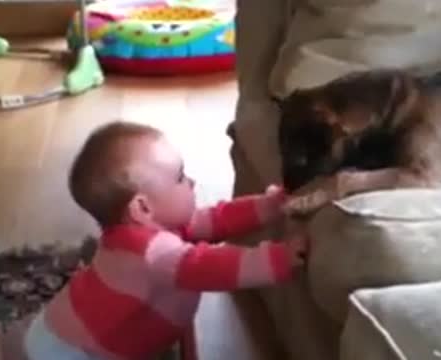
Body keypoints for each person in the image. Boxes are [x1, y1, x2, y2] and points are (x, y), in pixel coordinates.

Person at [23, 121, 308, 360]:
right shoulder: (151, 254)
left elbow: (217, 219)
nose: (192, 182)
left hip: (68, 326)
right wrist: (279, 258)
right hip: (74, 352)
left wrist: (271, 205)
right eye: (180, 177)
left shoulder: (153, 229)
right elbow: (210, 267)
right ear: (143, 208)